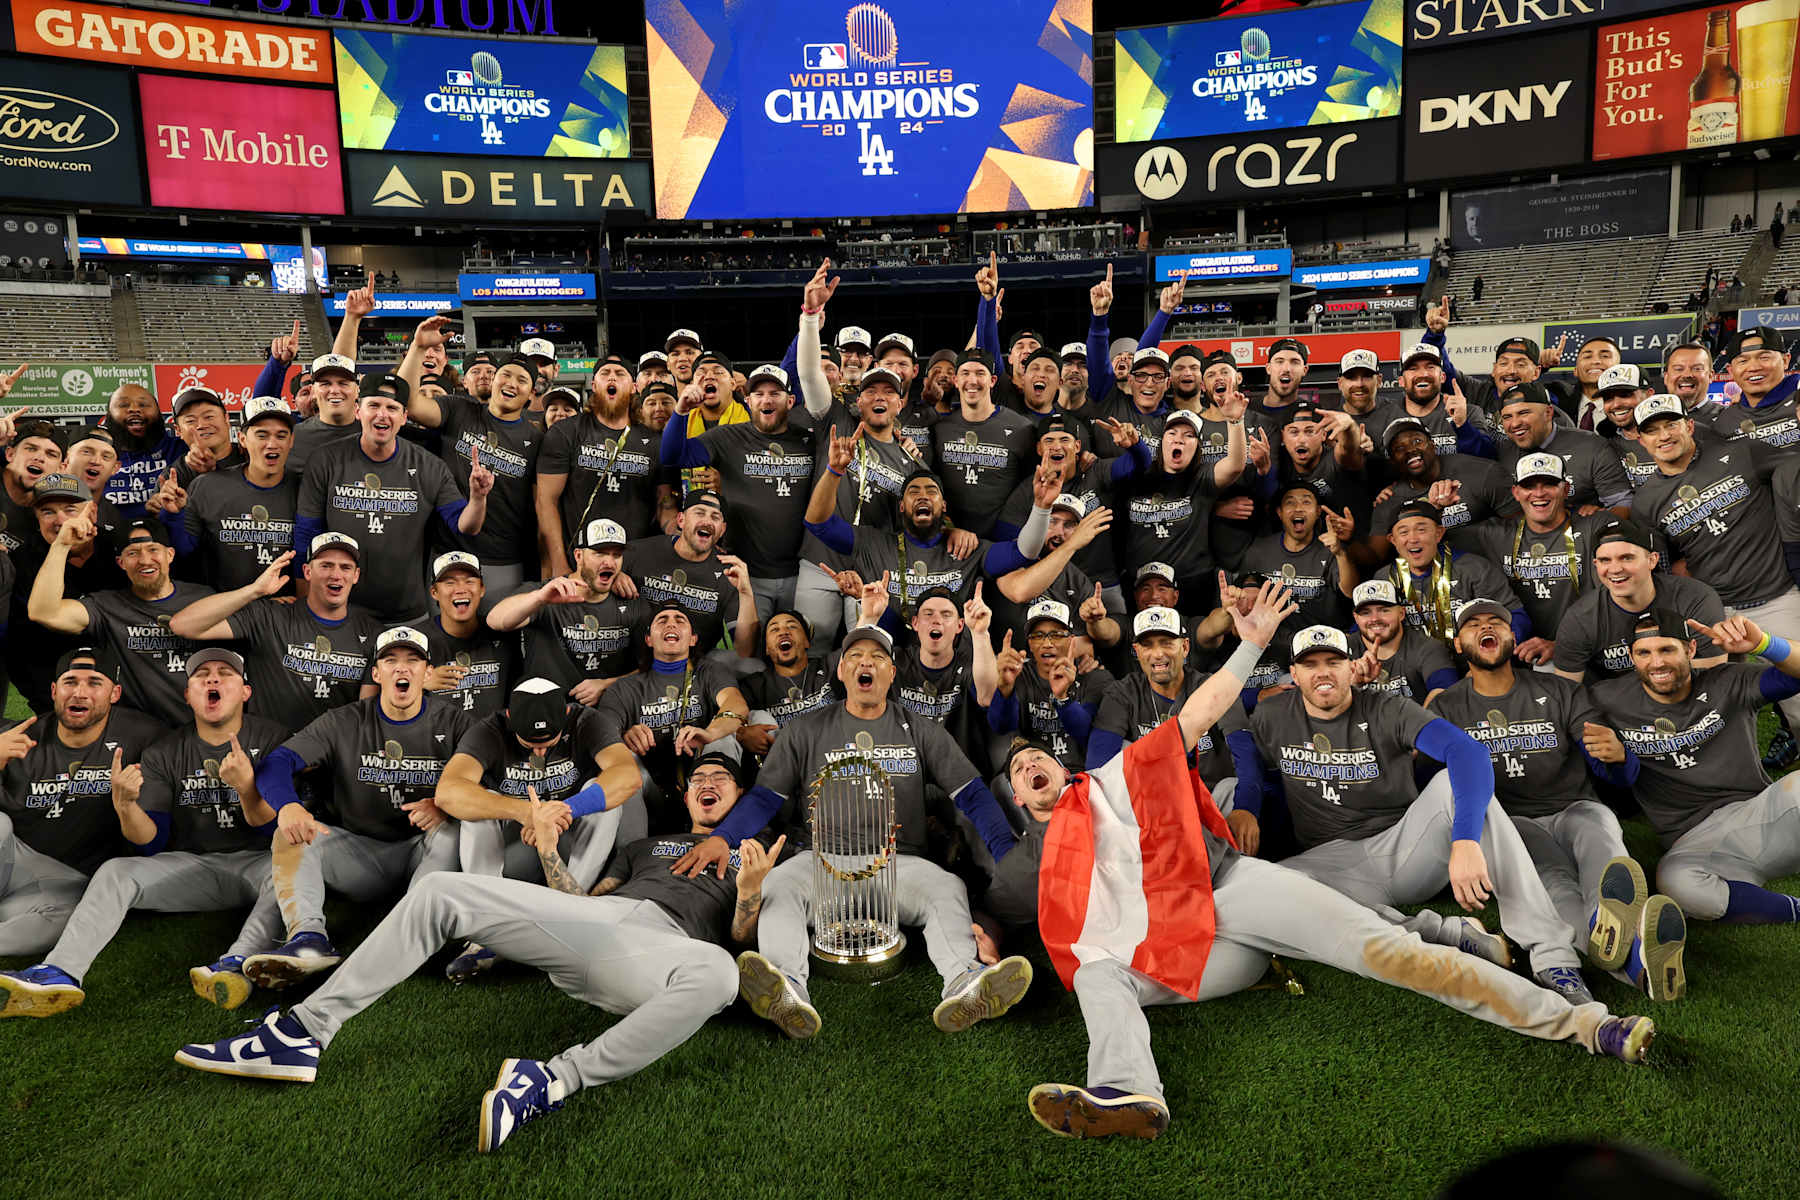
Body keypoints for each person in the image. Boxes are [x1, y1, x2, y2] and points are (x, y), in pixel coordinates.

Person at [999, 585, 1653, 1142]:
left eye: (1038, 758)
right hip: (1199, 949)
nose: (1029, 764)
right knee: (1095, 976)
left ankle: (1584, 1022)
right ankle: (1125, 1093)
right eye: (1018, 770)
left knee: (1395, 955)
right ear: (1022, 802)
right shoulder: (1044, 856)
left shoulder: (1113, 778)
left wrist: (1249, 643)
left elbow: (1198, 713)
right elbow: (1017, 900)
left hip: (1236, 889)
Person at [172, 753, 782, 1154]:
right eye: (698, 777)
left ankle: (549, 1080)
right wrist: (546, 851)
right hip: (599, 922)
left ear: (741, 796)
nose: (706, 784)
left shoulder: (757, 857)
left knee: (719, 973)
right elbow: (580, 900)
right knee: (440, 889)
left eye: (720, 779)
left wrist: (750, 893)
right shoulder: (649, 843)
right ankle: (304, 1031)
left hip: (669, 953)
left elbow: (745, 947)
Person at [676, 624, 1026, 1039]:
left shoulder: (920, 729)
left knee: (946, 888)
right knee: (778, 888)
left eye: (877, 658)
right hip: (820, 862)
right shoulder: (804, 731)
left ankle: (964, 981)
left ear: (891, 674)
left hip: (898, 864)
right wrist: (722, 838)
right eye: (856, 658)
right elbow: (764, 799)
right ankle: (786, 987)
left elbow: (972, 793)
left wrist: (1005, 847)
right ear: (840, 671)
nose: (867, 664)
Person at [1247, 623, 1599, 1004]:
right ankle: (1443, 932)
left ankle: (1554, 958)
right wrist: (1247, 813)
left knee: (1455, 784)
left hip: (1404, 848)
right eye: (1310, 664)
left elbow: (1468, 753)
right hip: (1331, 864)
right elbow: (1256, 775)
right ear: (1294, 675)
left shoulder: (1387, 707)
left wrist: (1464, 839)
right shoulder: (1272, 716)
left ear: (1353, 667)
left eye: (1334, 661)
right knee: (1262, 885)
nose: (1323, 673)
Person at [0, 649, 286, 1016]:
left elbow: (282, 826)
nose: (212, 680)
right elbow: (151, 843)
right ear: (187, 695)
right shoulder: (165, 749)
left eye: (225, 673)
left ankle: (236, 964)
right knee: (118, 869)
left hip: (261, 863)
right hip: (193, 866)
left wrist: (247, 788)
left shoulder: (277, 739)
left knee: (292, 868)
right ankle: (60, 971)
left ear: (246, 691)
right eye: (202, 676)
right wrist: (126, 806)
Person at [202, 625, 472, 997]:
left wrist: (444, 803)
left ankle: (411, 937)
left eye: (413, 661)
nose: (402, 669)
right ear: (376, 674)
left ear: (427, 673)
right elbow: (276, 763)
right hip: (360, 854)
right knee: (293, 832)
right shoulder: (345, 720)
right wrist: (290, 806)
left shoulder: (454, 720)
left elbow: (486, 776)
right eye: (390, 661)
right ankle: (308, 939)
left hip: (423, 849)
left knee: (453, 833)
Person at [1431, 601, 1681, 998]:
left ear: (1513, 637)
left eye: (1496, 622)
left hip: (1574, 807)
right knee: (1554, 881)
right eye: (1472, 625)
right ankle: (1634, 963)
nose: (1485, 628)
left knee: (1602, 838)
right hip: (1514, 823)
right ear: (1459, 644)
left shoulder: (1559, 690)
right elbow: (1434, 787)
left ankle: (1607, 919)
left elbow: (1609, 768)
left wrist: (1620, 758)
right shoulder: (1445, 708)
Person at [1591, 612, 1800, 947]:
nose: (1656, 662)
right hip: (1691, 838)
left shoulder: (1726, 681)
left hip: (1757, 814)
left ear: (1690, 649)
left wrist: (1762, 643)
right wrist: (1617, 757)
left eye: (1666, 650)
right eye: (1644, 653)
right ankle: (1792, 909)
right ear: (1632, 657)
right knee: (1676, 884)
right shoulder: (1606, 700)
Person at [434, 677, 645, 982]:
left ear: (566, 717)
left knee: (604, 797)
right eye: (530, 745)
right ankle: (488, 932)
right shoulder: (489, 729)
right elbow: (448, 792)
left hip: (570, 847)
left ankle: (572, 914)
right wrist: (525, 812)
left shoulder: (586, 721)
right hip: (517, 848)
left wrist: (565, 809)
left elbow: (628, 776)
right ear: (510, 720)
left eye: (549, 743)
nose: (540, 753)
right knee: (478, 804)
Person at [0, 648, 164, 957]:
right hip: (12, 859)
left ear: (115, 693)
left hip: (65, 883)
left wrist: (127, 803)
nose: (80, 693)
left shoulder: (144, 738)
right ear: (54, 691)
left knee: (63, 922)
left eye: (94, 683)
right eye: (70, 681)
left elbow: (153, 841)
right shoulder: (18, 736)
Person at [295, 372, 493, 621]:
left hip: (406, 611)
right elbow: (306, 534)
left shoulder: (429, 466)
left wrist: (478, 498)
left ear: (404, 417)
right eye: (374, 405)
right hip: (338, 609)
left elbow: (465, 526)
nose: (382, 414)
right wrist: (305, 602)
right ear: (358, 411)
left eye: (392, 407)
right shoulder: (325, 460)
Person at [167, 534, 381, 731]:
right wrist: (254, 591)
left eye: (345, 568)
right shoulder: (269, 615)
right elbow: (182, 625)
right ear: (307, 571)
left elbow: (365, 715)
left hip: (332, 755)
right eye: (326, 566)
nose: (336, 575)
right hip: (270, 752)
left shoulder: (371, 632)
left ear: (356, 575)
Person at [661, 360, 820, 622]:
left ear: (790, 401)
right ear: (747, 400)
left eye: (775, 394)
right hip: (748, 573)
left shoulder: (809, 440)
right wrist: (680, 411)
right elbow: (672, 456)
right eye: (758, 394)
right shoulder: (727, 437)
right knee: (750, 654)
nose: (766, 400)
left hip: (802, 573)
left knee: (800, 651)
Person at [397, 322, 542, 598]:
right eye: (506, 375)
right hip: (447, 552)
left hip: (502, 559)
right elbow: (410, 403)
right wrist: (418, 347)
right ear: (495, 379)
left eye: (522, 380)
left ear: (530, 393)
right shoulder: (459, 408)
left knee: (497, 635)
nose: (511, 383)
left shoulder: (536, 441)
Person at [28, 515, 218, 726]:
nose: (145, 560)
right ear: (121, 562)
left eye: (153, 549)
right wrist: (61, 545)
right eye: (133, 553)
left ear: (170, 555)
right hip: (137, 735)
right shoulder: (107, 606)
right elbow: (43, 612)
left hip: (201, 728)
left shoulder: (204, 598)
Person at [592, 604, 748, 830]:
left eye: (680, 620)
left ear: (693, 639)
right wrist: (624, 735)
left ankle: (719, 838)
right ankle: (632, 855)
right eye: (662, 620)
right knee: (623, 762)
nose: (671, 623)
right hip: (652, 792)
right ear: (648, 639)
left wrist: (709, 733)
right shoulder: (624, 688)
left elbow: (736, 704)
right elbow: (600, 735)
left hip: (701, 784)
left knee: (723, 738)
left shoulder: (708, 671)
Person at [1469, 453, 1615, 663]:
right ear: (1516, 493)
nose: (1539, 493)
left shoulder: (1594, 526)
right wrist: (1434, 506)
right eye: (1529, 486)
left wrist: (1563, 645)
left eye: (1549, 484)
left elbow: (1623, 598)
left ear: (1565, 490)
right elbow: (1431, 537)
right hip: (1519, 656)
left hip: (1586, 652)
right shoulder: (1495, 534)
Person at [487, 518, 644, 708]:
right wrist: (539, 598)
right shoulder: (548, 593)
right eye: (600, 553)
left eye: (616, 555)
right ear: (578, 556)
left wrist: (608, 685)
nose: (609, 562)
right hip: (548, 712)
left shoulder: (630, 601)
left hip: (606, 712)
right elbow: (495, 620)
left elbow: (653, 667)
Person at [537, 352, 665, 579]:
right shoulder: (566, 431)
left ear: (634, 386)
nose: (612, 378)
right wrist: (558, 564)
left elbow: (664, 504)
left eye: (620, 374)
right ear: (594, 385)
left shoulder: (653, 440)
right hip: (578, 563)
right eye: (605, 373)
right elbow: (546, 500)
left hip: (634, 564)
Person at [162, 396, 301, 592]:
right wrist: (173, 515)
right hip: (224, 609)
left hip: (283, 610)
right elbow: (184, 551)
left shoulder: (304, 488)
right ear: (242, 439)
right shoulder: (207, 485)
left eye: (281, 435)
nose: (272, 444)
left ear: (291, 440)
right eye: (261, 435)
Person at [1374, 499, 1526, 648]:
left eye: (1421, 530)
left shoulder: (1474, 569)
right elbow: (1367, 624)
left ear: (1439, 533)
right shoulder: (1385, 579)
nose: (1413, 539)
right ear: (1393, 540)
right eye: (1404, 532)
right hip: (1413, 666)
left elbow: (1515, 615)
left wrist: (1500, 650)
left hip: (1473, 660)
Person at [1492, 382, 1634, 514]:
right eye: (1507, 417)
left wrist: (1599, 521)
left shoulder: (1591, 446)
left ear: (1548, 413)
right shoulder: (1500, 452)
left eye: (1524, 413)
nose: (1515, 423)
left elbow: (1622, 503)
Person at [421, 551, 518, 719]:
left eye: (469, 581)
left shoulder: (504, 636)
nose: (460, 589)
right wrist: (419, 684)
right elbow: (387, 701)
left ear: (482, 589)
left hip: (493, 739)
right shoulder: (415, 640)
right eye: (450, 583)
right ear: (434, 592)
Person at [1346, 579, 1457, 704]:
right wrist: (1354, 685)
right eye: (1365, 613)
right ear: (1356, 618)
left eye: (1384, 610)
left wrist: (1416, 724)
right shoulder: (1341, 652)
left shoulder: (1428, 647)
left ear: (1401, 613)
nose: (1375, 619)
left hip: (1417, 722)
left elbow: (1444, 694)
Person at [98, 382, 182, 519]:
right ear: (108, 415)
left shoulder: (181, 450)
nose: (134, 409)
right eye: (123, 405)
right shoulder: (95, 457)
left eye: (143, 405)